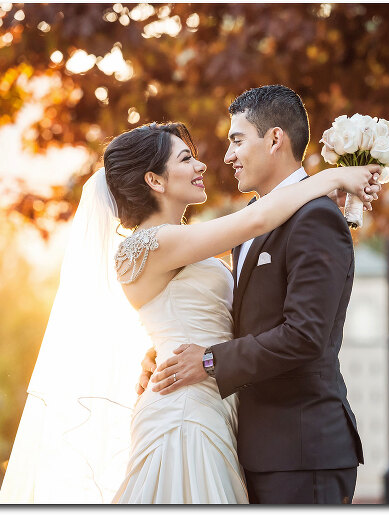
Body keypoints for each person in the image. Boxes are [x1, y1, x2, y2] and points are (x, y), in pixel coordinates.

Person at [0, 118, 380, 503]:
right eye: (185, 159)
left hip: (215, 406)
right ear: (155, 181)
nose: (201, 166)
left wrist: (163, 353)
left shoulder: (183, 242)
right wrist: (334, 179)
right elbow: (257, 219)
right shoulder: (150, 244)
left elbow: (234, 302)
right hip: (184, 415)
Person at [139, 85, 368, 504]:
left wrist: (207, 360)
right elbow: (240, 320)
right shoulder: (250, 225)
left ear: (275, 139)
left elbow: (303, 335)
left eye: (237, 140)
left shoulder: (316, 217)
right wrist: (167, 351)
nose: (227, 156)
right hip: (251, 446)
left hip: (302, 451)